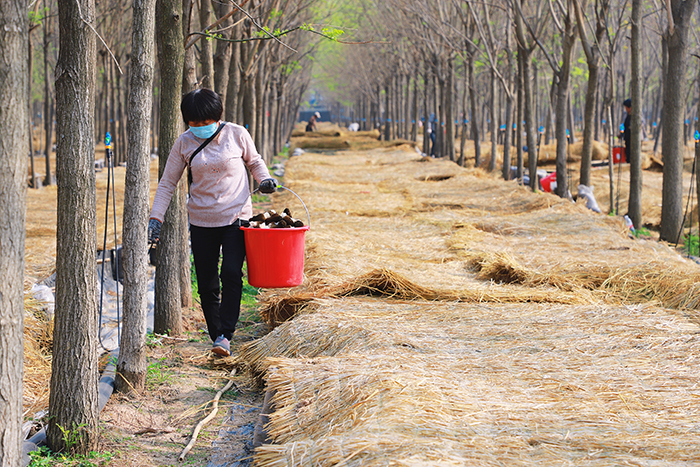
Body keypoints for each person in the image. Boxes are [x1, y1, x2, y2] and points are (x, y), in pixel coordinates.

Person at [147, 88, 277, 357]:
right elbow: (167, 183)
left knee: (231, 272)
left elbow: (255, 162)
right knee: (206, 281)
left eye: (205, 123)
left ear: (218, 117)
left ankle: (226, 333)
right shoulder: (184, 143)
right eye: (194, 123)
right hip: (201, 220)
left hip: (236, 217)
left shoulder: (237, 134)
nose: (200, 128)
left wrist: (264, 179)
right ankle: (217, 335)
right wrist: (155, 218)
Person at [621, 98, 631, 163]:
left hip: (632, 139)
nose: (625, 109)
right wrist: (622, 133)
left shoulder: (634, 116)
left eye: (626, 107)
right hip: (627, 139)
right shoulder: (627, 116)